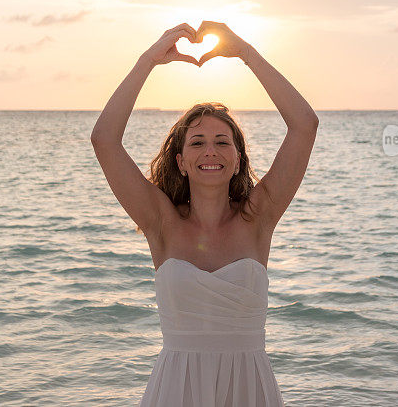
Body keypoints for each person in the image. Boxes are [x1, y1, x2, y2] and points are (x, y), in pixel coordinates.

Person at [90, 21, 318, 406]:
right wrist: (148, 60)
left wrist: (246, 53)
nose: (210, 151)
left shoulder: (259, 218)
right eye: (197, 142)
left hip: (249, 389)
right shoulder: (160, 222)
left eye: (221, 142)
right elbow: (104, 140)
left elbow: (305, 125)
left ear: (237, 158)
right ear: (180, 161)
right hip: (176, 390)